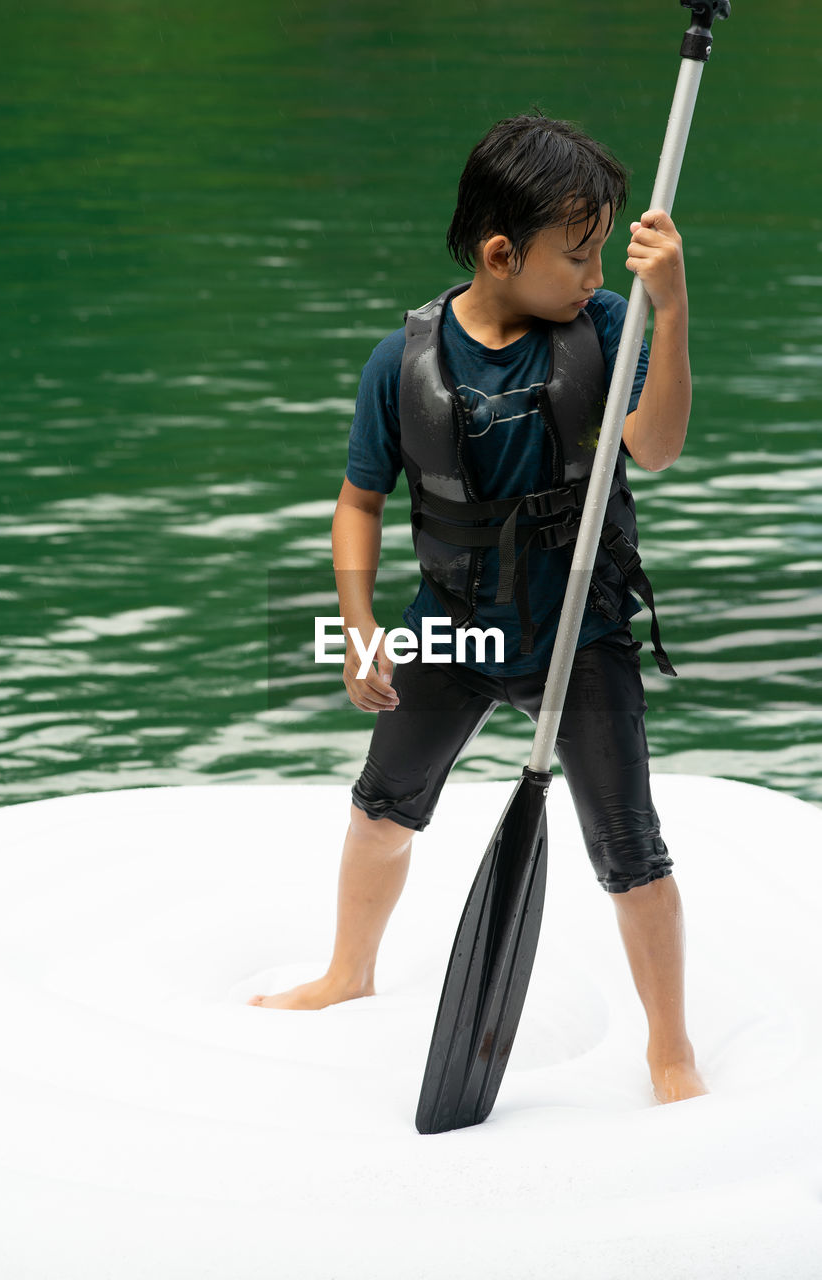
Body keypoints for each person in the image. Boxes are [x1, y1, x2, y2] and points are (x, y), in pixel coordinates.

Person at [250, 113, 707, 1106]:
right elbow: (357, 501)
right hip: (456, 626)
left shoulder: (604, 329)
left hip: (580, 633)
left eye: (603, 256)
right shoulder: (399, 361)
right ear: (502, 254)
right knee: (380, 808)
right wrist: (359, 620)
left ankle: (668, 1045)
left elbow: (658, 446)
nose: (596, 275)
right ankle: (347, 969)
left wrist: (667, 313)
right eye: (578, 255)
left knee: (629, 847)